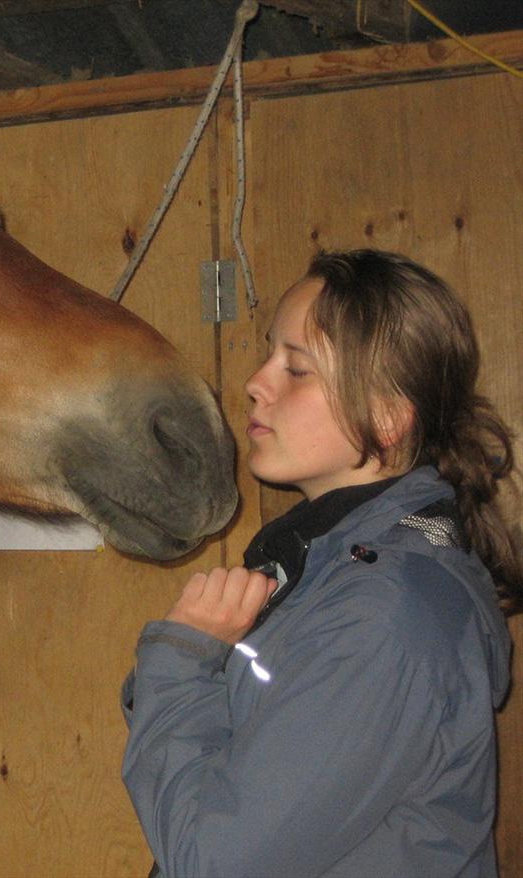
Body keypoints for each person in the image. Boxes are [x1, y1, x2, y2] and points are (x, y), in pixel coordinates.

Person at [121, 249, 521, 877]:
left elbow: (214, 862)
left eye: (297, 368)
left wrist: (180, 661)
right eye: (268, 353)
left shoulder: (384, 617)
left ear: (387, 417)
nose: (257, 381)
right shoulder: (326, 560)